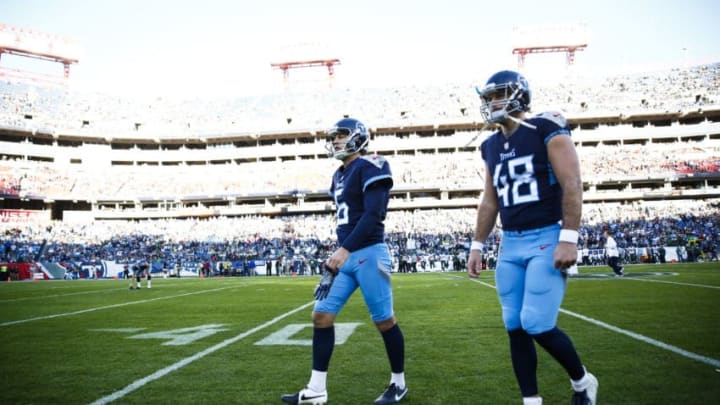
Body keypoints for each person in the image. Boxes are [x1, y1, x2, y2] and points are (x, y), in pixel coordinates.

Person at [467, 70, 598, 405]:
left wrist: (569, 237)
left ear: (518, 94)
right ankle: (531, 400)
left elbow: (572, 182)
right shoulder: (490, 145)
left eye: (499, 94)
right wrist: (477, 245)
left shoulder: (546, 127)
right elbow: (490, 199)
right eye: (489, 97)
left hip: (547, 236)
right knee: (514, 324)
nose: (493, 103)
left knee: (536, 322)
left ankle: (583, 381)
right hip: (510, 242)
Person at [281, 118, 407, 405]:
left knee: (384, 321)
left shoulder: (372, 165)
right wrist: (341, 251)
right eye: (334, 136)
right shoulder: (338, 175)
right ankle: (316, 390)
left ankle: (398, 384)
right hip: (346, 254)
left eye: (342, 135)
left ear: (359, 138)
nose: (336, 141)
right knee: (321, 315)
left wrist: (345, 249)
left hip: (369, 253)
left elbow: (374, 214)